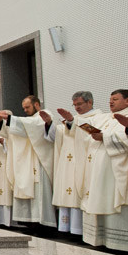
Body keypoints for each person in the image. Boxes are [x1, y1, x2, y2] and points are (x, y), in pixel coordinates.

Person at [80, 89, 128, 253]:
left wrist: (104, 137)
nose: (111, 102)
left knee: (119, 205)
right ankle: (103, 240)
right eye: (110, 99)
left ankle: (124, 244)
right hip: (102, 170)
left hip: (122, 171)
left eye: (115, 99)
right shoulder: (107, 117)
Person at [0, 96, 56, 228]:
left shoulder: (44, 116)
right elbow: (13, 133)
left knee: (39, 193)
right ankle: (31, 223)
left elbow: (33, 126)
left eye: (27, 107)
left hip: (39, 161)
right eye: (23, 108)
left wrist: (10, 119)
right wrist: (1, 123)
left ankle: (43, 225)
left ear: (36, 104)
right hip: (27, 161)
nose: (25, 110)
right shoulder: (29, 120)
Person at [51, 91, 100, 236]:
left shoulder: (98, 117)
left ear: (89, 102)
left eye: (79, 104)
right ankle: (68, 229)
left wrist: (72, 121)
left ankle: (80, 230)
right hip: (68, 163)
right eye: (74, 105)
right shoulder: (75, 119)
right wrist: (51, 124)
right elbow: (63, 133)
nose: (77, 107)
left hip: (83, 163)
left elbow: (90, 133)